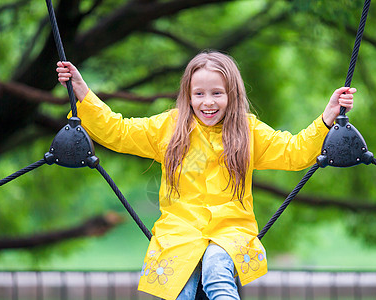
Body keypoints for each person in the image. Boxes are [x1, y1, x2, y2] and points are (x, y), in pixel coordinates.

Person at [56, 51, 355, 300]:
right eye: (199, 93)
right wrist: (83, 91)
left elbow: (294, 152)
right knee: (180, 288)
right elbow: (117, 131)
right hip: (179, 231)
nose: (207, 102)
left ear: (231, 94)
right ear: (188, 95)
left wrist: (327, 117)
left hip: (231, 231)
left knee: (216, 268)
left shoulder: (247, 132)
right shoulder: (170, 128)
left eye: (217, 93)